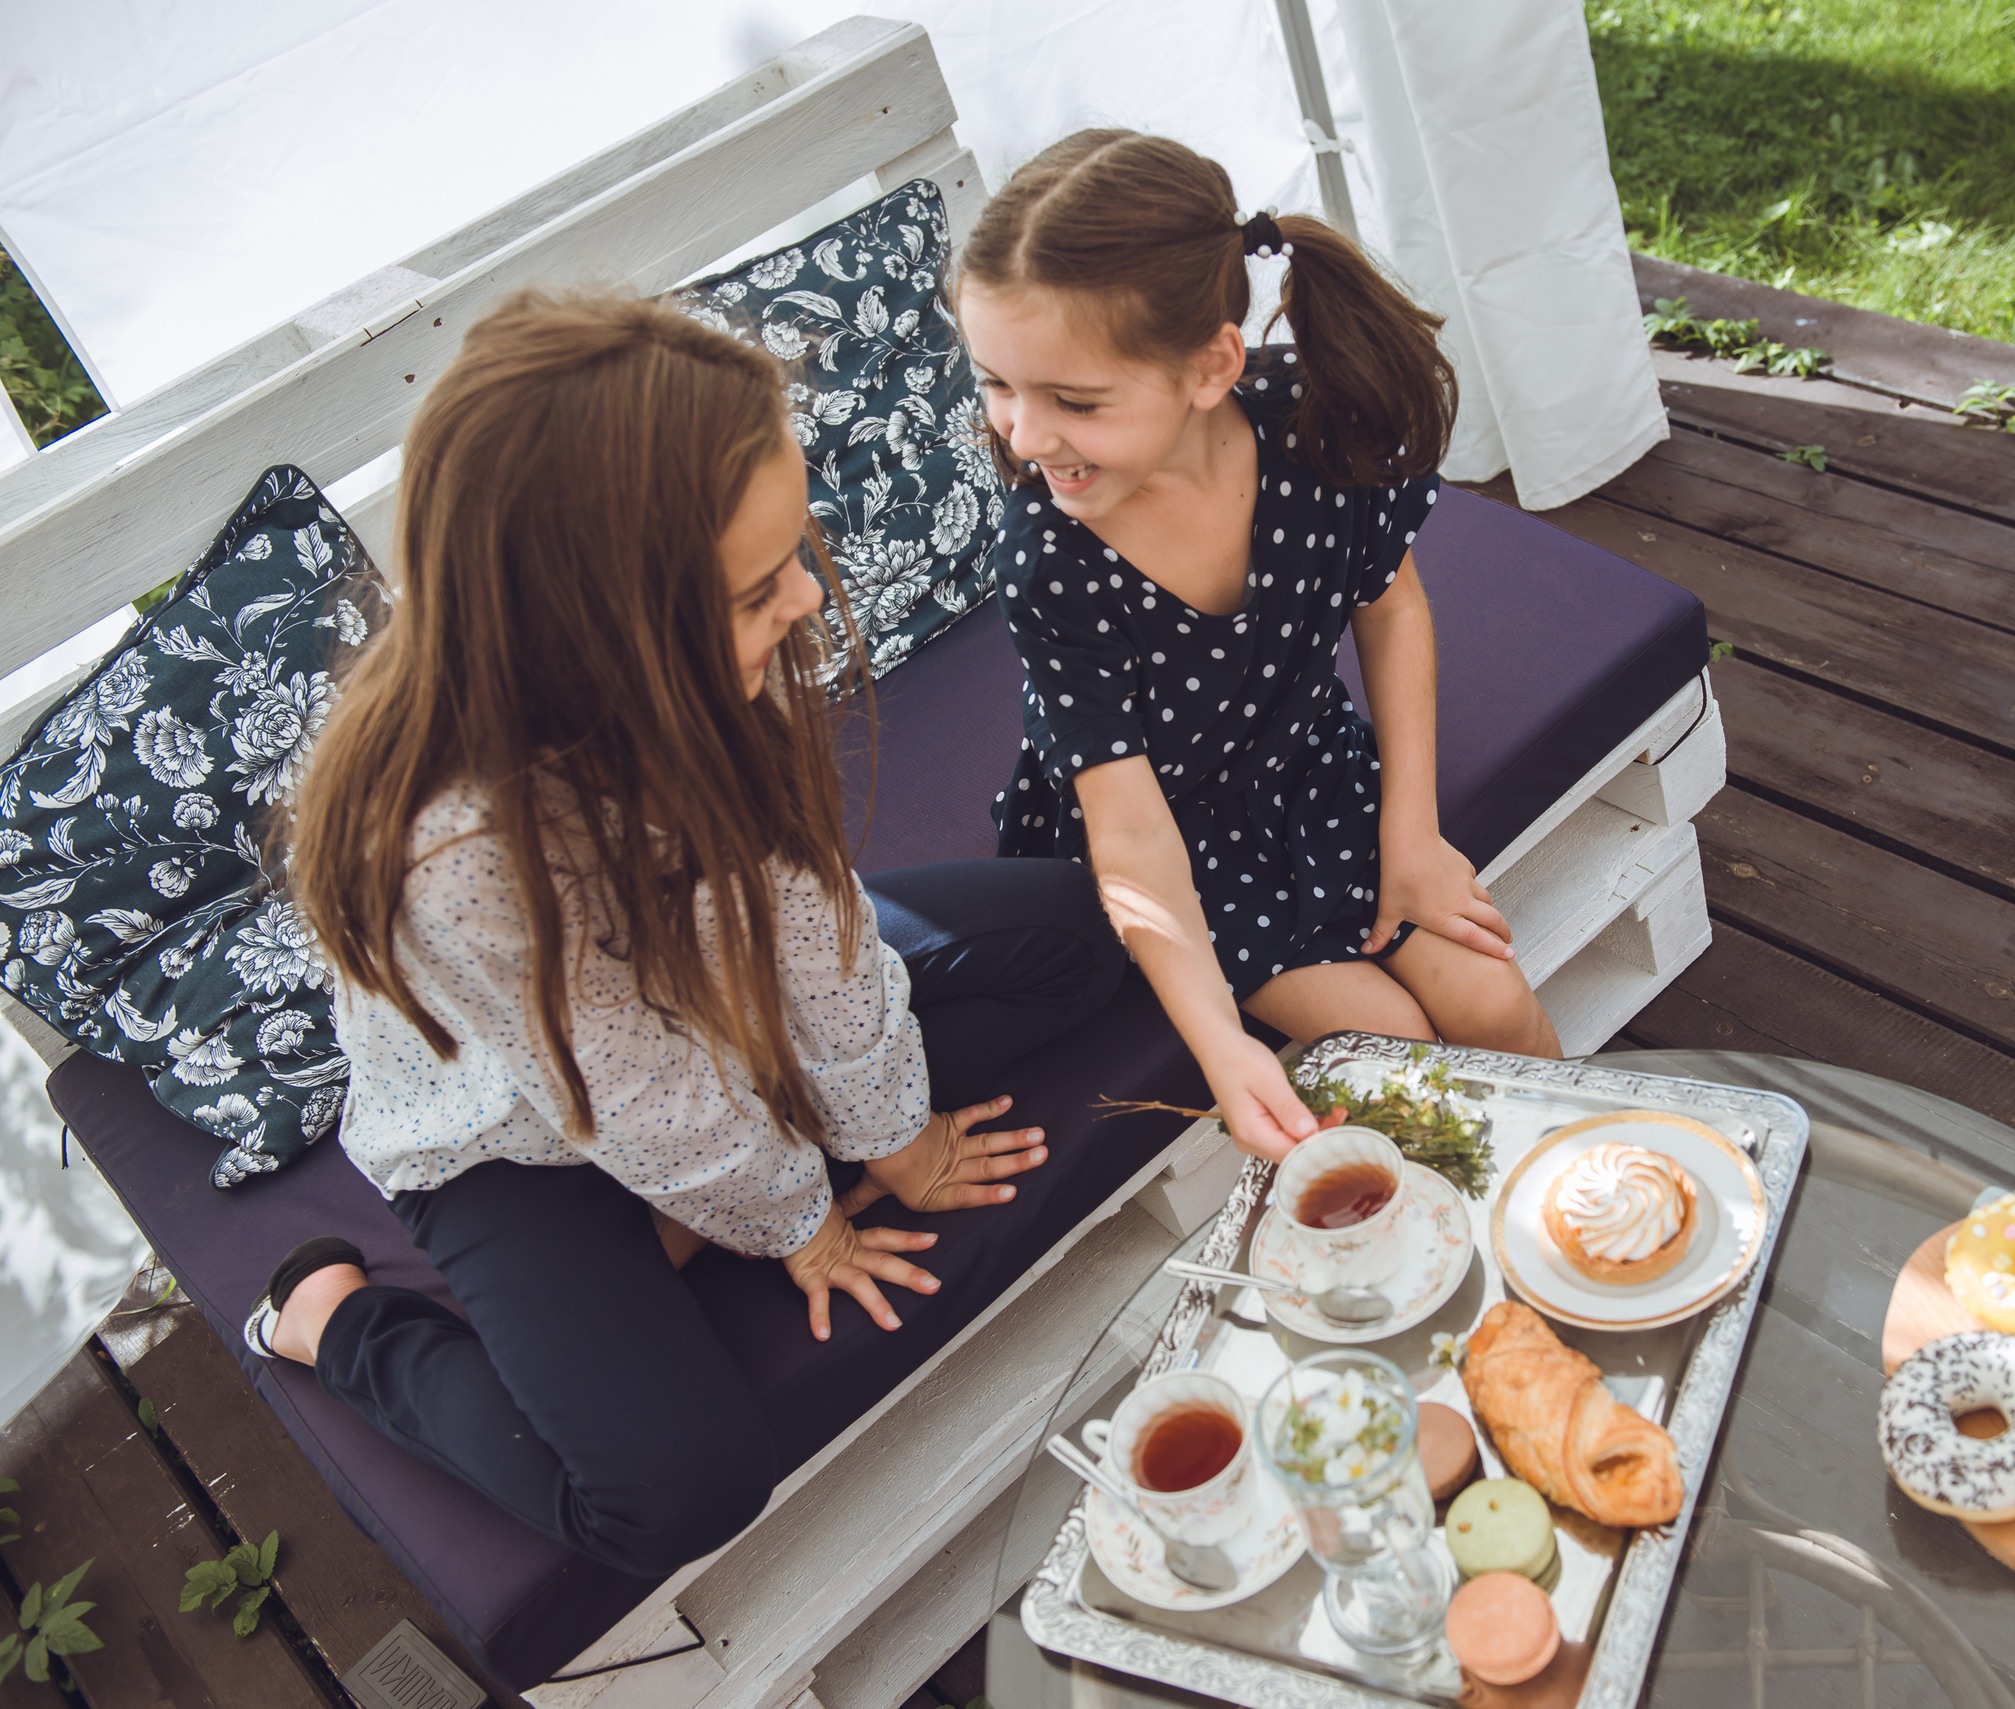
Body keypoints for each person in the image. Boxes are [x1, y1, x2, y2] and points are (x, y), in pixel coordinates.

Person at [243, 288, 1125, 1577]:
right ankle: (333, 1321)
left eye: (794, 554)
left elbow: (812, 919)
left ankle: (680, 1223)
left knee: (1088, 935)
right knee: (677, 1492)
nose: (808, 596)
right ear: (602, 635)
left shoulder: (705, 662)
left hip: (714, 999)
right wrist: (802, 1219)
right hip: (521, 1131)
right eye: (762, 587)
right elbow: (636, 1095)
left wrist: (896, 1132)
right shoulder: (451, 854)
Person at [955, 130, 1559, 1163]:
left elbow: (1390, 608)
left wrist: (1412, 837)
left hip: (1307, 767)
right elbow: (1131, 833)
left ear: (1212, 367)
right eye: (998, 385)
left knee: (1493, 1004)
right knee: (1396, 1048)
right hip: (1168, 845)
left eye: (1073, 401)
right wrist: (1221, 1042)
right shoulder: (1050, 558)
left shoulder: (1310, 423)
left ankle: (1586, 1179)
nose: (1022, 435)